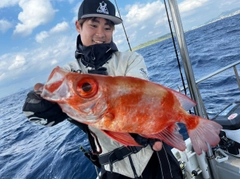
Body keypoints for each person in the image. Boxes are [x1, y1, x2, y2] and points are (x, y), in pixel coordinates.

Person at [22, 0, 183, 178]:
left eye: (108, 27)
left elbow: (140, 95)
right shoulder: (69, 74)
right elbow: (43, 116)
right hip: (115, 170)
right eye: (93, 25)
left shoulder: (130, 59)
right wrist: (40, 105)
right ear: (78, 26)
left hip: (154, 157)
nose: (101, 33)